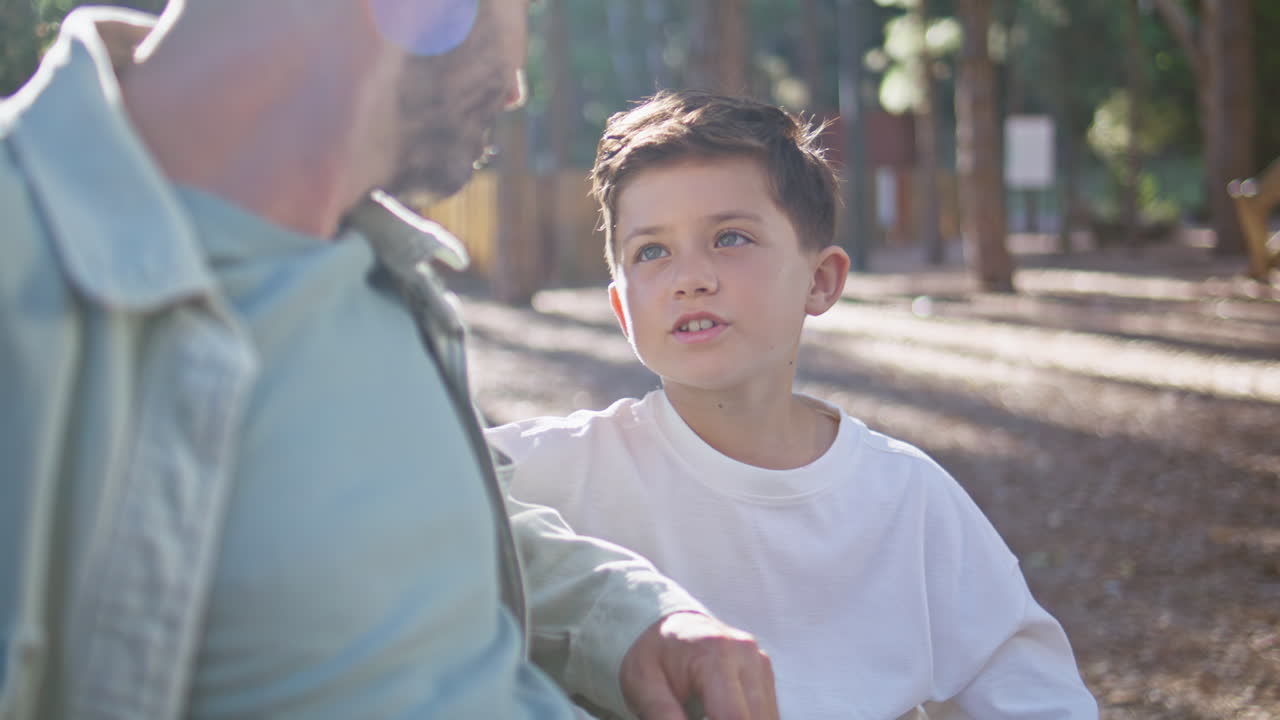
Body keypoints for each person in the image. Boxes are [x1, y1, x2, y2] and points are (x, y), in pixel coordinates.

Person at [0, 3, 779, 719]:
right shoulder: (23, 265)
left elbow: (421, 543)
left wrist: (637, 620)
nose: (515, 88)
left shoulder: (373, 266)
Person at [486, 90, 1100, 720]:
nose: (689, 277)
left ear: (821, 280)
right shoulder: (543, 474)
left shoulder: (907, 498)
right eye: (652, 251)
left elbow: (1034, 694)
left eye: (730, 238)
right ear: (622, 309)